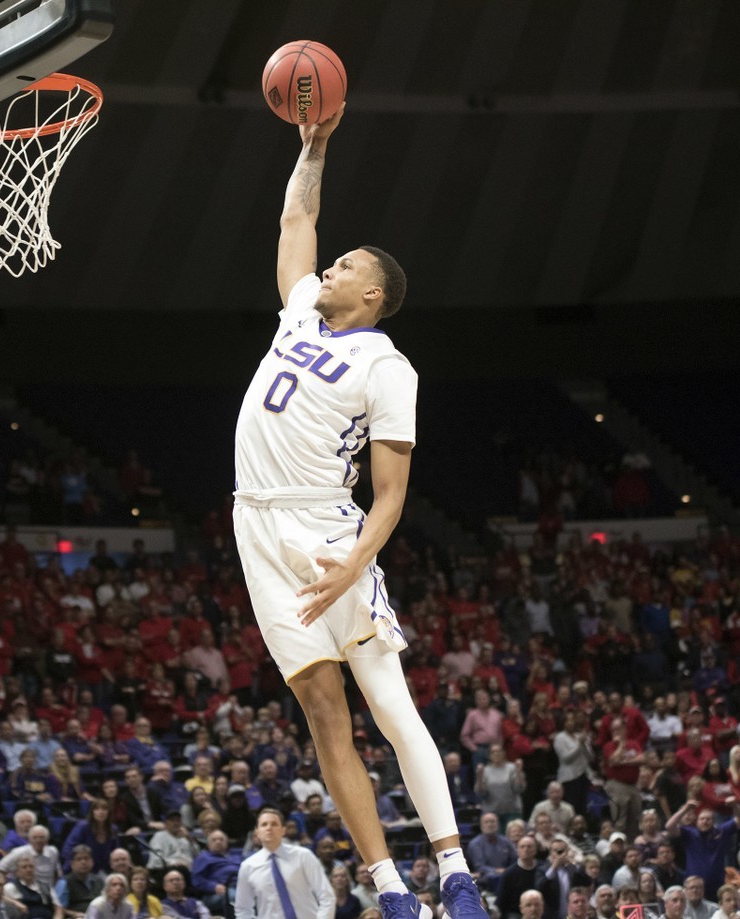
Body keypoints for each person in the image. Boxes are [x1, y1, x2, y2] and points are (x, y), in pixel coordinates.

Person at [231, 103, 483, 919]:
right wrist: (315, 147)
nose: (327, 267)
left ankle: (456, 872)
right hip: (254, 525)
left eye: (343, 265)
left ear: (371, 292)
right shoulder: (300, 311)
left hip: (325, 528)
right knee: (320, 708)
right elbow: (298, 215)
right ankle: (392, 887)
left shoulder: (388, 364)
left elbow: (392, 493)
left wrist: (357, 560)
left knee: (387, 697)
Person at [233, 809, 335, 919]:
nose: (269, 828)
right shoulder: (248, 866)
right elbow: (242, 909)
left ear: (283, 830)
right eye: (264, 824)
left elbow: (326, 895)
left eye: (274, 824)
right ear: (257, 832)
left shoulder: (303, 856)